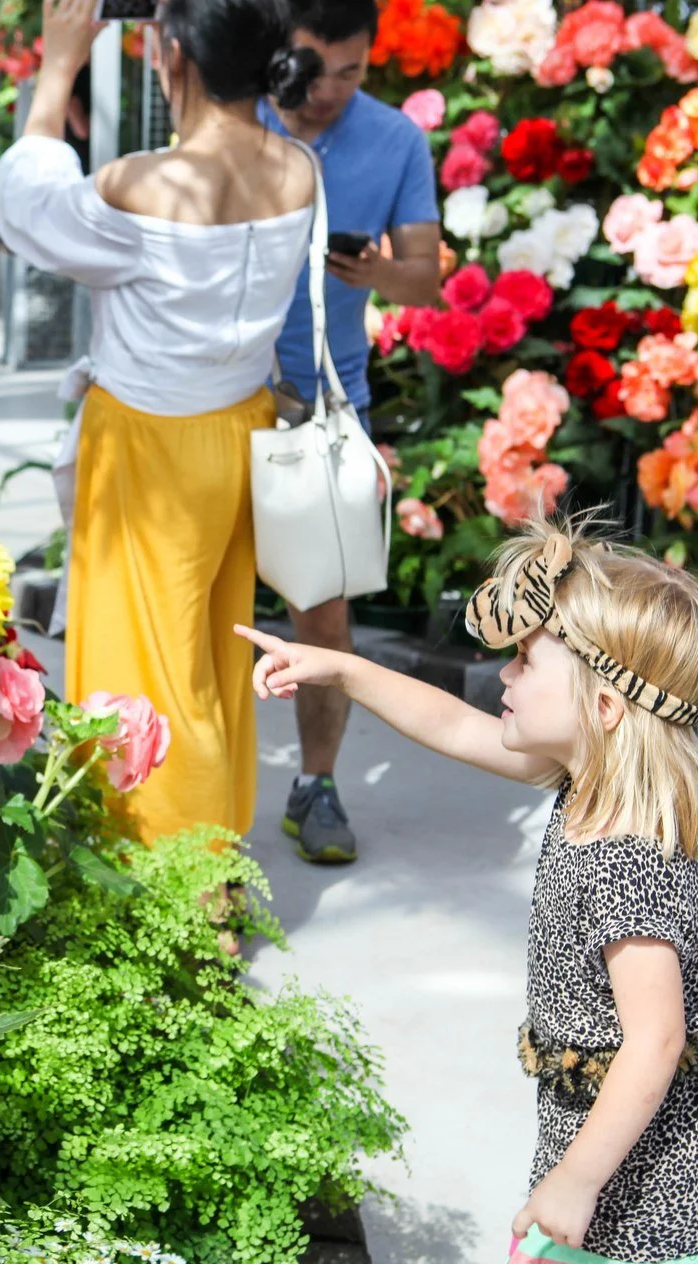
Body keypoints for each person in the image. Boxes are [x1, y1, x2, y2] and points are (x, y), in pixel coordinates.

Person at [238, 522, 698, 1264]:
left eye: (527, 660)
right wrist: (341, 668)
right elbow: (454, 725)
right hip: (609, 1150)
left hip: (637, 1195)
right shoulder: (588, 778)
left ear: (604, 708)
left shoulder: (626, 856)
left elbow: (656, 1038)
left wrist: (578, 1178)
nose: (504, 673)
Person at [0, 0, 319, 840]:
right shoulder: (298, 169)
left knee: (147, 673)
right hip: (239, 431)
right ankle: (217, 858)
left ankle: (178, 885)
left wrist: (58, 66)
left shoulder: (142, 184)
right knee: (211, 652)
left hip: (148, 447)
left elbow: (26, 209)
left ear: (173, 57)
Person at [255, 0, 441, 865]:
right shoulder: (236, 117)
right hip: (219, 402)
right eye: (313, 66)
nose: (329, 90)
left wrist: (376, 273)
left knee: (323, 616)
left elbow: (424, 281)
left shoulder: (395, 139)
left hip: (326, 409)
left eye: (352, 71)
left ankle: (317, 783)